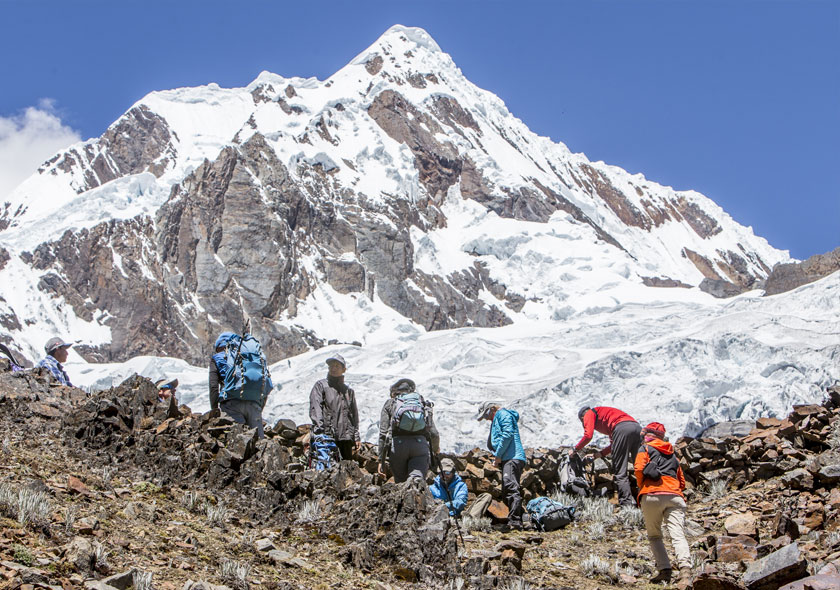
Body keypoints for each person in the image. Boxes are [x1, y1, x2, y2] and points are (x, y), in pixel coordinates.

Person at [634, 422, 691, 585]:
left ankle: (665, 570)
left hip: (651, 494)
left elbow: (638, 469)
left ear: (648, 435)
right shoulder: (673, 455)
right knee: (678, 535)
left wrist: (642, 485)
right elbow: (682, 482)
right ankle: (685, 571)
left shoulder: (645, 448)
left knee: (654, 535)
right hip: (674, 495)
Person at [570, 405, 641, 507]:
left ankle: (626, 505)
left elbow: (588, 435)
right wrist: (599, 454)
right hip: (637, 428)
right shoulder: (609, 418)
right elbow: (613, 445)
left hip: (621, 429)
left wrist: (575, 449)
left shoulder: (589, 413)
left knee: (620, 472)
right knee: (640, 467)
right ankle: (645, 499)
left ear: (582, 418)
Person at [209, 330, 272, 439]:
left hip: (231, 404)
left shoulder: (217, 358)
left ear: (218, 347)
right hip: (254, 404)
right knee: (259, 443)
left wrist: (214, 411)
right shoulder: (249, 357)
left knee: (237, 441)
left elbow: (213, 386)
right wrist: (258, 405)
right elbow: (263, 381)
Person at [378, 378, 440, 483]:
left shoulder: (390, 403)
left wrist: (381, 460)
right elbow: (434, 433)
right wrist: (435, 449)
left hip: (398, 447)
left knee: (401, 483)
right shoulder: (420, 403)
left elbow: (383, 434)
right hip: (420, 446)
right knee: (417, 481)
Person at [477, 401, 526, 529]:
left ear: (492, 409)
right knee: (508, 490)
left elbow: (507, 434)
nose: (486, 418)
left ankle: (515, 522)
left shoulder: (502, 414)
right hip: (509, 457)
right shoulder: (499, 417)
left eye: (486, 415)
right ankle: (522, 518)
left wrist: (498, 455)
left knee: (510, 488)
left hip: (512, 457)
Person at [308, 354, 360, 467]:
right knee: (327, 468)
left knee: (347, 470)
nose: (333, 368)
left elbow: (354, 415)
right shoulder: (321, 386)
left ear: (344, 369)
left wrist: (356, 436)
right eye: (331, 366)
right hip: (328, 436)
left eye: (337, 366)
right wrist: (319, 432)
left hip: (346, 438)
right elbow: (316, 408)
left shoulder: (348, 391)